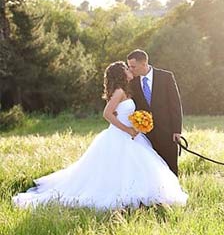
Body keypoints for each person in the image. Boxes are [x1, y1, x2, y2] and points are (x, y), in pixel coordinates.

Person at [12, 61, 187, 210]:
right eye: (127, 68)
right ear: (121, 74)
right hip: (121, 136)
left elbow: (122, 111)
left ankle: (141, 198)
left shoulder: (126, 89)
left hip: (131, 135)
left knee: (133, 166)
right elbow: (107, 114)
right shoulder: (119, 91)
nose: (130, 70)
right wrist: (128, 130)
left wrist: (137, 123)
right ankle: (123, 198)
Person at [126, 49, 183, 176]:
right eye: (129, 66)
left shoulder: (166, 77)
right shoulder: (132, 82)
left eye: (133, 66)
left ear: (144, 63)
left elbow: (175, 105)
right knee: (150, 168)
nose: (130, 70)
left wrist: (177, 130)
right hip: (145, 134)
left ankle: (173, 194)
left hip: (167, 131)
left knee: (170, 165)